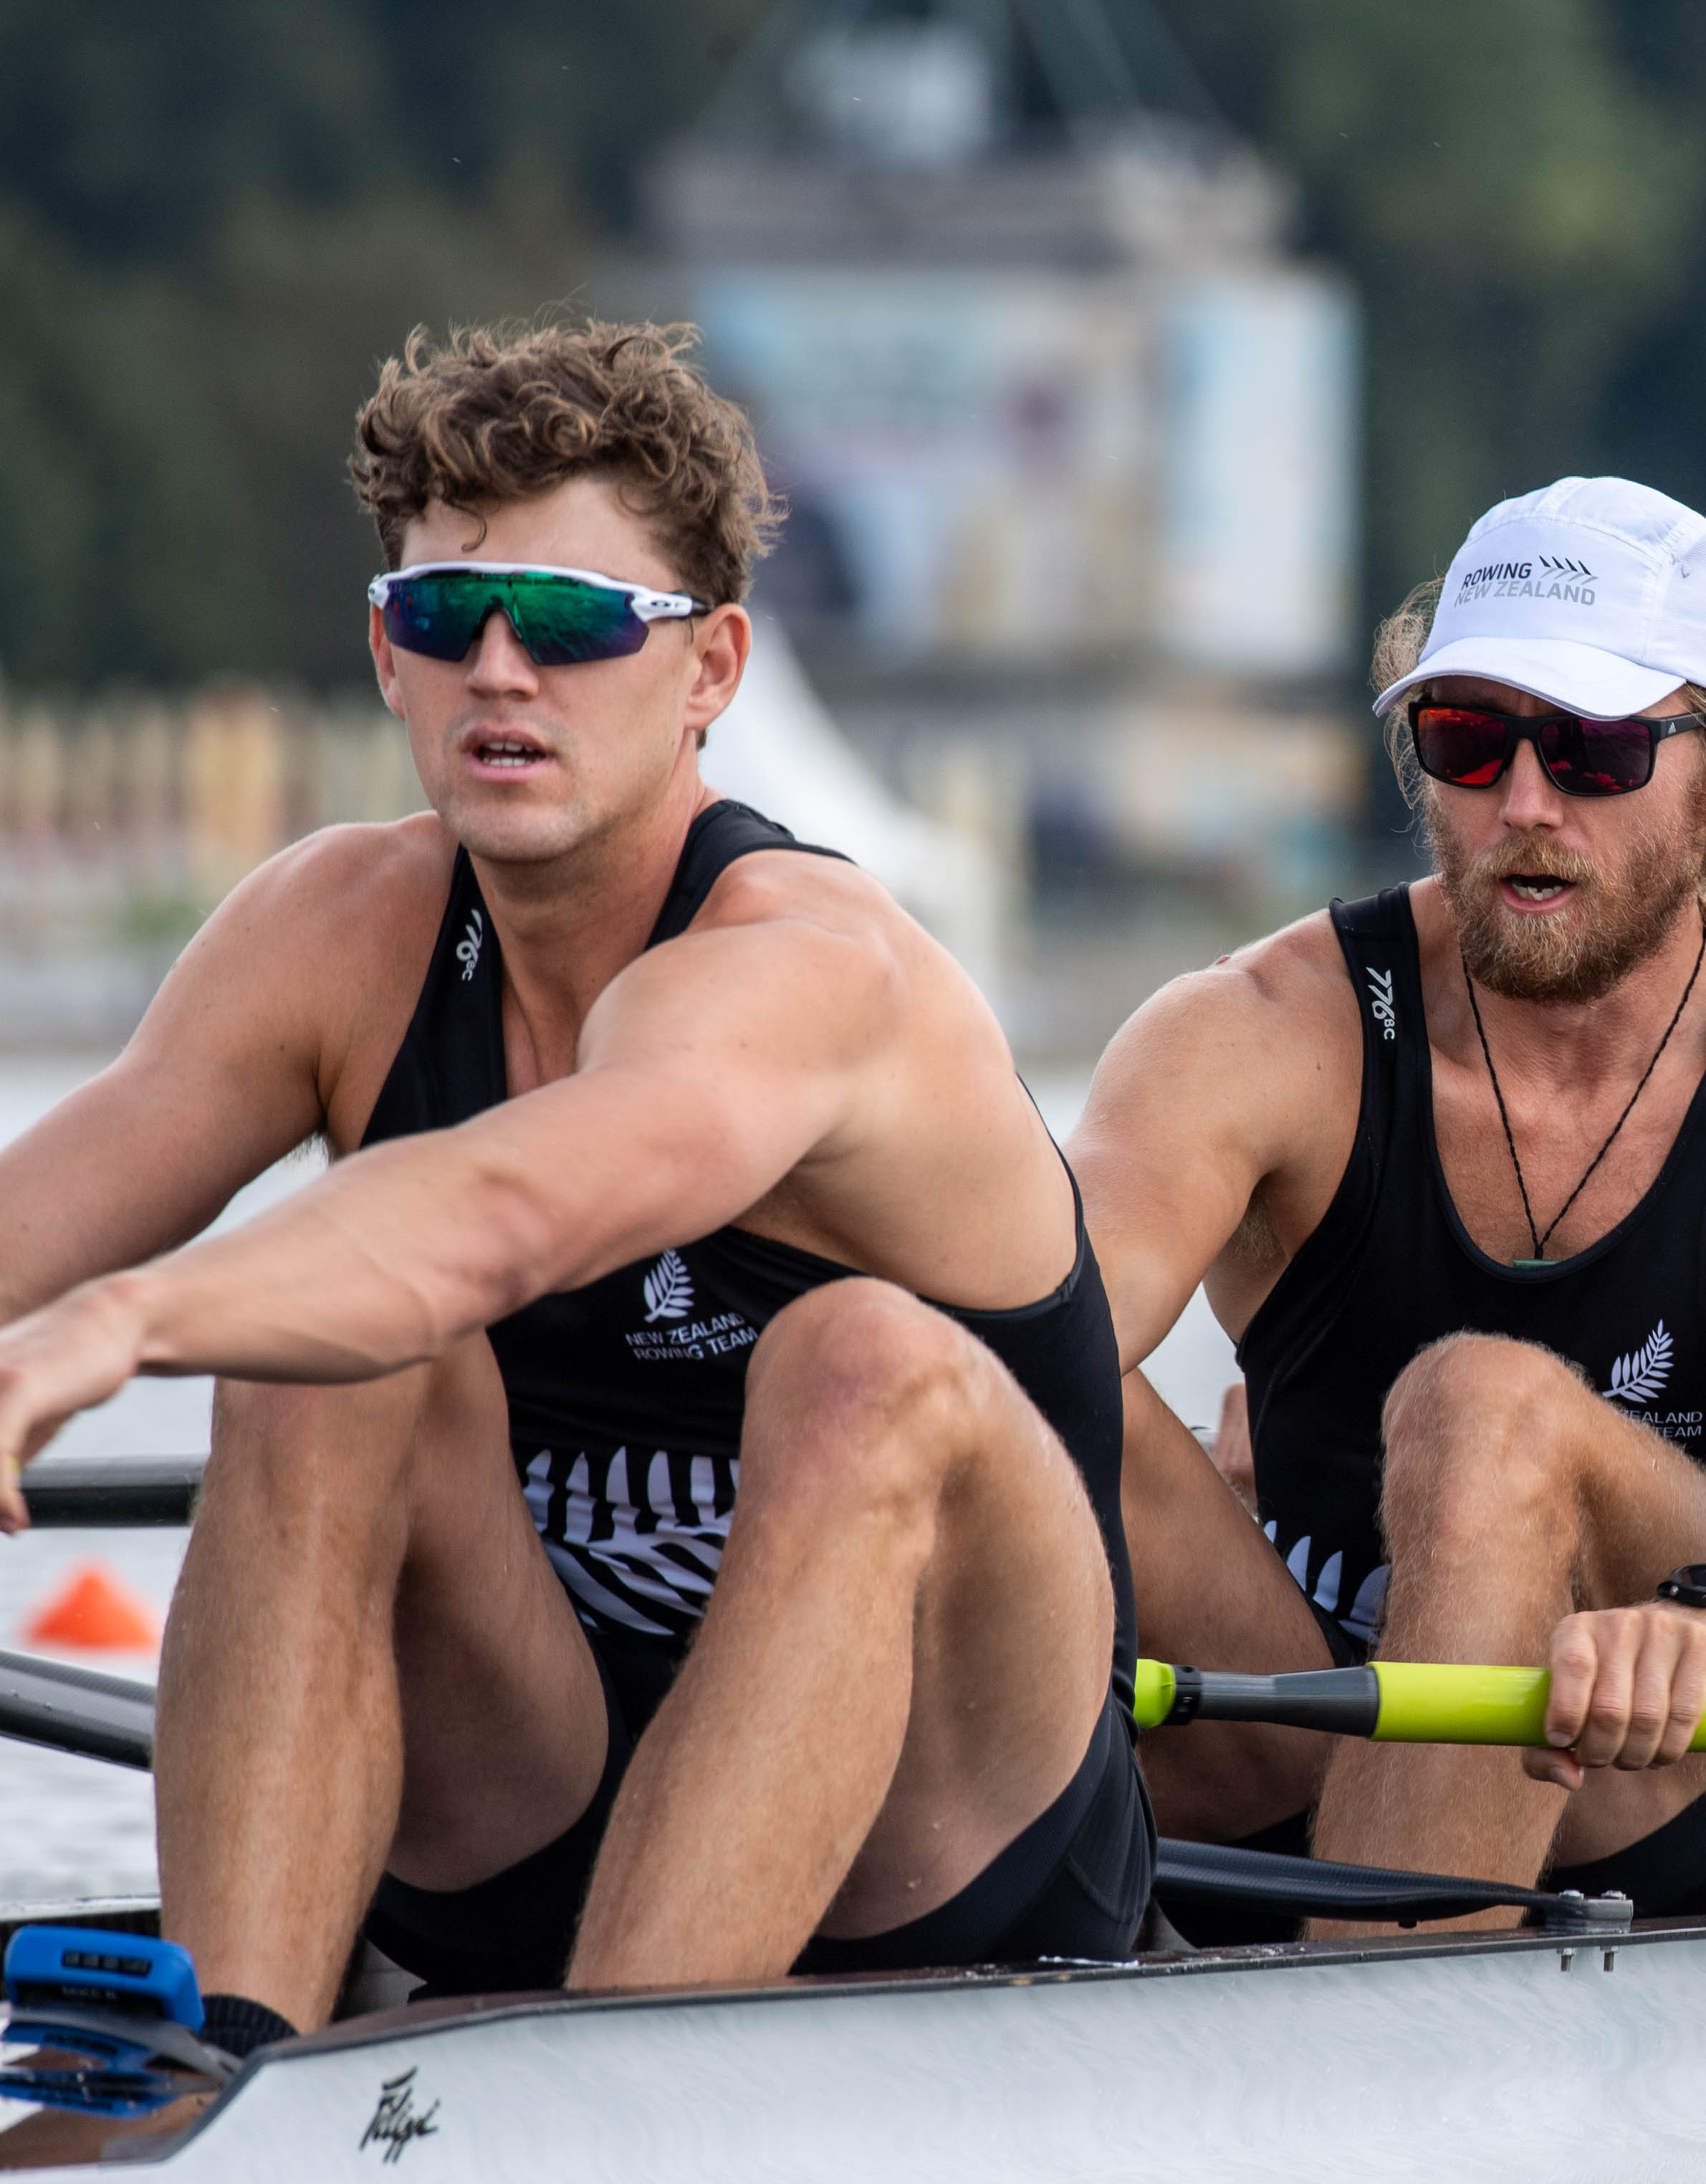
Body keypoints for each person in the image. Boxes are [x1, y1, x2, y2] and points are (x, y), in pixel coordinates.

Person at [0, 322, 1151, 2051]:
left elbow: (501, 1216)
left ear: (709, 668)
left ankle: (595, 2100)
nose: (498, 670)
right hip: (534, 1778)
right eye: (442, 617)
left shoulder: (811, 967)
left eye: (568, 621)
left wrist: (118, 1328)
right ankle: (223, 2063)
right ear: (384, 658)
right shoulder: (330, 936)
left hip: (946, 1826)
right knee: (322, 1348)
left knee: (860, 1360)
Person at [1069, 476, 1706, 1926]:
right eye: (1467, 737)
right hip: (1323, 1730)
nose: (1520, 804)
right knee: (1006, 1351)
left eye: (1591, 748)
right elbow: (1022, 1335)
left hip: (1694, 1765)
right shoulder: (1251, 1033)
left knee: (1488, 1409)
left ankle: (1367, 2014)